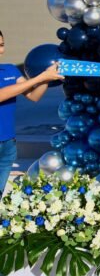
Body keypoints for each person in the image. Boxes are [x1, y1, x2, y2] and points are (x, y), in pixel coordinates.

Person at [0, 30, 63, 195]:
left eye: (2, 45)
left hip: (8, 144)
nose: (0, 50)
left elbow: (33, 96)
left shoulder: (10, 70)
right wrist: (40, 77)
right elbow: (2, 94)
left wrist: (47, 78)